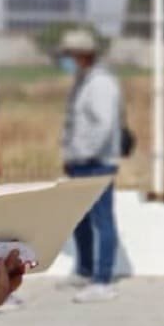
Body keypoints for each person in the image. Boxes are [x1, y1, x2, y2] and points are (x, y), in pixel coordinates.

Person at [59, 28, 123, 304]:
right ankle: (85, 270)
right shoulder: (83, 80)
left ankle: (103, 280)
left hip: (96, 163)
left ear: (82, 55)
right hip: (80, 162)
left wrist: (86, 153)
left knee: (102, 220)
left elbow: (104, 125)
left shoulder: (101, 84)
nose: (66, 61)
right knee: (80, 219)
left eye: (69, 56)